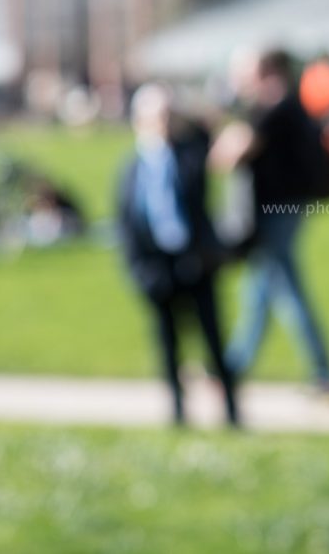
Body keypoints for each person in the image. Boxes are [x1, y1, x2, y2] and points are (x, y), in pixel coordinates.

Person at [212, 49, 329, 392]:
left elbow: (227, 155)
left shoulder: (273, 108)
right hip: (283, 209)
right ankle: (234, 367)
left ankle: (323, 372)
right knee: (259, 292)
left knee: (285, 290)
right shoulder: (285, 106)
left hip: (275, 212)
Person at [116, 84, 239, 426]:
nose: (162, 123)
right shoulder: (132, 168)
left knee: (214, 342)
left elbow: (208, 129)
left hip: (196, 262)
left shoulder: (190, 154)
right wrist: (139, 271)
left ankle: (231, 411)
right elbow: (126, 223)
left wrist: (183, 112)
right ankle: (178, 413)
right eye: (156, 116)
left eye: (167, 116)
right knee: (168, 345)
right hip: (158, 268)